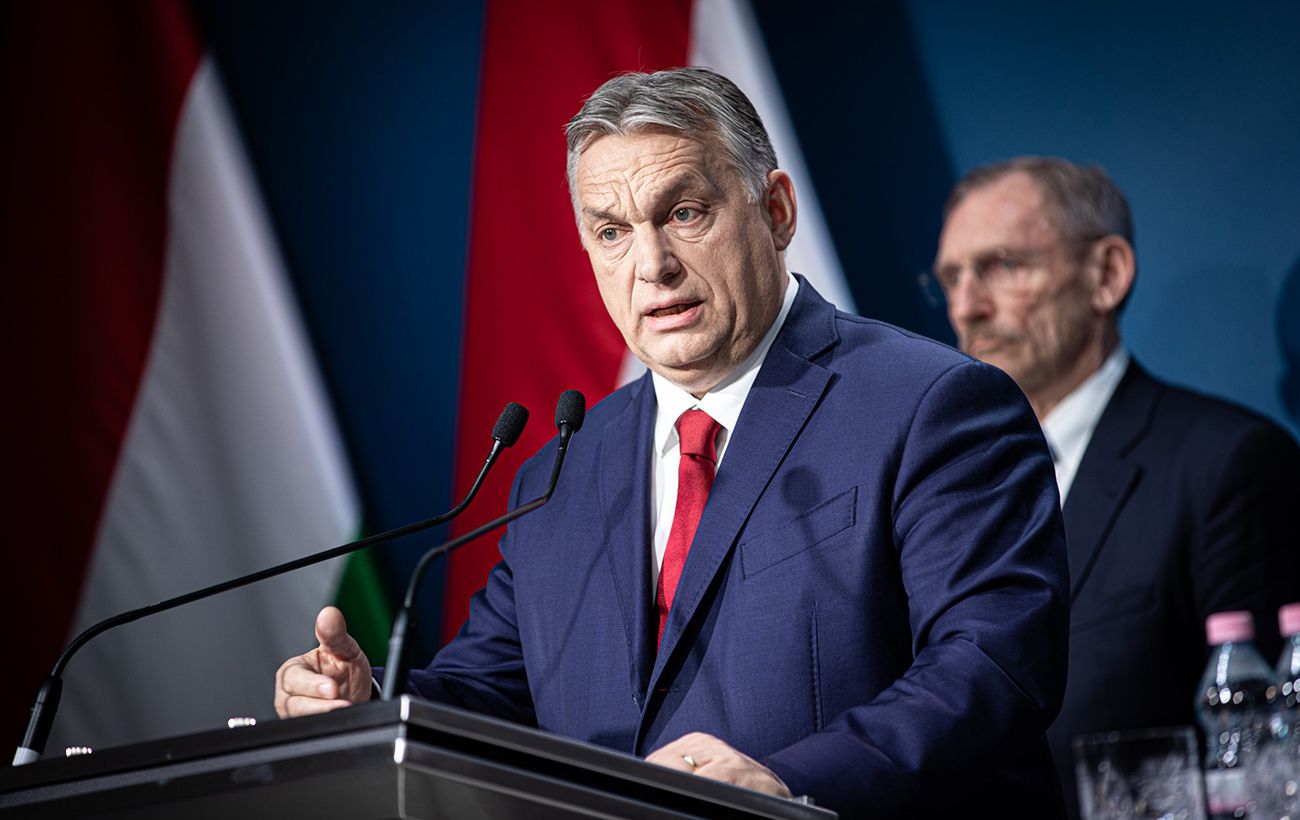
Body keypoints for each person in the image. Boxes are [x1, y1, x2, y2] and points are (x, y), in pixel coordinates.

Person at [276, 69, 1071, 817]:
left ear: (776, 211)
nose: (652, 265)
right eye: (612, 231)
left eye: (685, 213)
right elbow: (487, 694)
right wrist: (363, 704)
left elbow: (992, 665)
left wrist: (786, 787)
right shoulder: (563, 471)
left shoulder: (931, 406)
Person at [934, 156, 1300, 816]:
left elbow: (1271, 762)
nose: (966, 308)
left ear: (1106, 274)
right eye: (951, 279)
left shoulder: (1224, 464)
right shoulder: (947, 494)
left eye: (1002, 266)